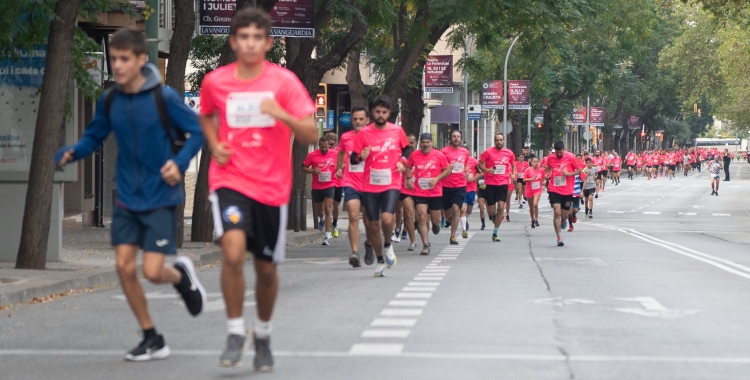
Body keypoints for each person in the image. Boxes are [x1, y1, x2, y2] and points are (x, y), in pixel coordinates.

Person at [56, 28, 207, 361]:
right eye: (113, 59)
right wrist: (74, 152)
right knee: (125, 267)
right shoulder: (110, 99)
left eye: (124, 59)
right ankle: (152, 336)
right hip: (126, 196)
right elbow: (95, 136)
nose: (118, 65)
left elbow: (198, 131)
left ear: (141, 59)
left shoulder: (163, 98)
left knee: (153, 272)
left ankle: (180, 275)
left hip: (160, 197)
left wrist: (179, 163)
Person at [199, 8, 318, 370]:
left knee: (266, 269)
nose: (250, 43)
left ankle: (262, 334)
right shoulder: (215, 81)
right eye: (243, 37)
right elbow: (206, 114)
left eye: (257, 37)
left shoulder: (284, 83)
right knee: (233, 253)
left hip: (272, 186)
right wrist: (214, 143)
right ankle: (235, 332)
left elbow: (310, 133)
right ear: (233, 41)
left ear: (268, 43)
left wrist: (280, 113)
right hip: (230, 180)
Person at [352, 95, 410, 277]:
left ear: (389, 113)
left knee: (386, 219)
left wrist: (403, 161)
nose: (380, 115)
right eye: (377, 111)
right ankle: (379, 260)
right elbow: (354, 158)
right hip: (369, 185)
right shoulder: (364, 133)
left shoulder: (396, 131)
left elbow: (407, 149)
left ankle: (388, 245)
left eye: (384, 112)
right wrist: (361, 155)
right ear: (372, 113)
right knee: (373, 225)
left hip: (391, 182)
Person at [336, 107, 373, 267]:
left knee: (369, 221)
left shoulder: (374, 138)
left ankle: (369, 244)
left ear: (367, 121)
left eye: (361, 119)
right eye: (355, 119)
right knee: (352, 216)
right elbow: (341, 153)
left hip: (371, 183)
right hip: (351, 182)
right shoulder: (345, 137)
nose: (358, 122)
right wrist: (339, 168)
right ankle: (355, 252)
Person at [406, 133, 451, 255]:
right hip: (420, 191)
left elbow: (448, 170)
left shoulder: (439, 155)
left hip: (435, 192)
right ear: (420, 143)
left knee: (435, 221)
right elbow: (408, 166)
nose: (425, 144)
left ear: (431, 143)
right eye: (423, 142)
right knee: (421, 216)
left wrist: (436, 179)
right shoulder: (414, 155)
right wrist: (409, 178)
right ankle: (425, 244)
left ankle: (436, 226)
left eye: (428, 142)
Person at [478, 133, 516, 242]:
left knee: (501, 207)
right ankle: (493, 215)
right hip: (490, 183)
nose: (499, 142)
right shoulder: (488, 152)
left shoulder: (509, 153)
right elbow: (480, 164)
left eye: (501, 140)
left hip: (503, 183)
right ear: (494, 141)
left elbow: (513, 165)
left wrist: (513, 174)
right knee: (491, 212)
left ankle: (495, 232)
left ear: (503, 141)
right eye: (497, 140)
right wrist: (487, 170)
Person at [545, 141, 582, 246]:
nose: (559, 154)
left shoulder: (571, 157)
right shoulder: (551, 158)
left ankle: (563, 220)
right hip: (554, 189)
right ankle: (559, 237)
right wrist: (547, 174)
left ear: (564, 149)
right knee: (556, 212)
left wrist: (569, 173)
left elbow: (579, 170)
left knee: (564, 215)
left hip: (567, 191)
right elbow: (548, 168)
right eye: (557, 152)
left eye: (561, 152)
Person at [303, 136, 337, 246]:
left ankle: (326, 236)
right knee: (320, 212)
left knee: (328, 209)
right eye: (322, 147)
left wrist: (339, 168)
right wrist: (313, 170)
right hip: (317, 186)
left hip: (330, 184)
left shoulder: (334, 154)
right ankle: (321, 218)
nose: (324, 149)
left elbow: (342, 163)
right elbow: (304, 167)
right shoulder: (312, 155)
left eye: (326, 147)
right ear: (319, 145)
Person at [440, 130, 471, 245]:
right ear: (450, 138)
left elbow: (466, 165)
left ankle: (453, 236)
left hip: (460, 185)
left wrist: (467, 172)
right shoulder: (444, 152)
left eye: (458, 136)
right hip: (446, 185)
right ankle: (448, 219)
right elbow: (439, 167)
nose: (456, 138)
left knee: (456, 209)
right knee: (448, 212)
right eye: (454, 136)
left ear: (461, 138)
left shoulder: (465, 152)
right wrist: (447, 167)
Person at [326, 132, 343, 237]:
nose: (331, 147)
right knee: (327, 207)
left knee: (335, 206)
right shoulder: (322, 152)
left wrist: (340, 167)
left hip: (338, 182)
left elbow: (345, 163)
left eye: (333, 144)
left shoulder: (339, 153)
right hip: (326, 183)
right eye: (329, 144)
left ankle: (335, 224)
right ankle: (324, 220)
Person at [460, 156, 481, 238]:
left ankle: (465, 219)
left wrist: (474, 178)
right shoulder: (457, 161)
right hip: (461, 188)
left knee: (469, 210)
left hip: (471, 189)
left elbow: (480, 171)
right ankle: (464, 230)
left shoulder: (474, 161)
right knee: (462, 209)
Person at [523, 157, 545, 228]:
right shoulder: (528, 170)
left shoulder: (541, 171)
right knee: (531, 207)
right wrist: (530, 179)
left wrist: (544, 182)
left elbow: (543, 179)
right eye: (534, 162)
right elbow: (524, 179)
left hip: (537, 190)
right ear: (532, 163)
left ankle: (536, 219)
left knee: (535, 204)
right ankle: (532, 219)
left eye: (537, 161)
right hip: (529, 190)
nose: (535, 163)